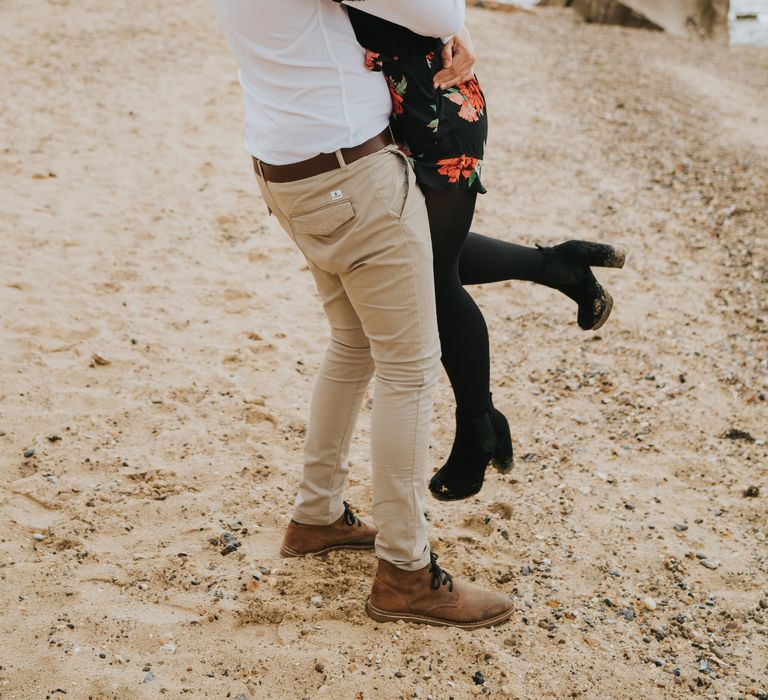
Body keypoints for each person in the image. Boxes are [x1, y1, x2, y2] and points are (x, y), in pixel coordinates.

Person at [210, 0, 514, 629]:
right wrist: (456, 28)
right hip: (350, 173)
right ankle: (405, 573)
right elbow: (436, 9)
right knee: (410, 367)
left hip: (287, 167)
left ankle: (316, 513)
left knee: (352, 344)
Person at [334, 3, 626, 501]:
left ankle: (479, 429)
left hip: (441, 112)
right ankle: (559, 266)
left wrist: (455, 25)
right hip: (404, 112)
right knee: (422, 255)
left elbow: (435, 9)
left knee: (431, 276)